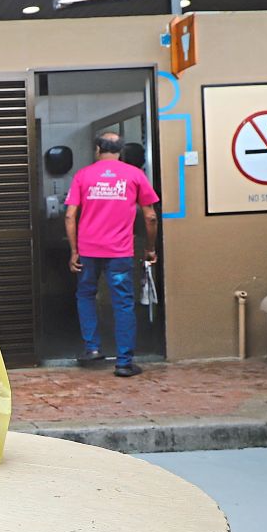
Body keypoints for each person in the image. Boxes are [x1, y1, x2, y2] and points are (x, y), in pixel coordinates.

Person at [65, 132, 160, 377]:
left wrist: (74, 250)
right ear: (121, 151)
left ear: (97, 149)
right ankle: (124, 363)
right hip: (120, 252)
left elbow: (69, 215)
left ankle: (93, 348)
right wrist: (150, 249)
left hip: (88, 251)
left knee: (85, 295)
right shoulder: (135, 175)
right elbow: (150, 216)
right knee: (123, 303)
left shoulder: (83, 176)